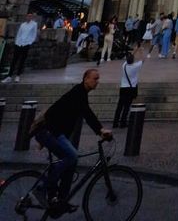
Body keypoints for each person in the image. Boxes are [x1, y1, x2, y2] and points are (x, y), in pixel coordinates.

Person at [25, 69, 113, 212]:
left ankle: (61, 200)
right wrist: (100, 130)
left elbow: (61, 111)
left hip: (53, 132)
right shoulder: (78, 92)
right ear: (85, 79)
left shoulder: (81, 93)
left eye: (98, 79)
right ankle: (42, 189)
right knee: (71, 156)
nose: (97, 82)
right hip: (50, 132)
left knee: (71, 161)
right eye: (95, 78)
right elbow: (87, 113)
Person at [3, 12, 38, 83]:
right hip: (19, 44)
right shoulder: (23, 25)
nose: (29, 17)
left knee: (22, 60)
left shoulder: (34, 24)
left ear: (31, 17)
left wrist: (29, 42)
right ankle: (9, 76)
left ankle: (18, 76)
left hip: (26, 44)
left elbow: (34, 34)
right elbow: (19, 33)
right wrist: (16, 42)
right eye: (28, 16)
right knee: (14, 60)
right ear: (26, 17)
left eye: (30, 16)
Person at [114, 49, 143, 128]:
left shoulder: (124, 65)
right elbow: (142, 59)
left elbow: (130, 57)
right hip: (130, 89)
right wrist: (140, 50)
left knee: (119, 106)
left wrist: (136, 49)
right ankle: (123, 122)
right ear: (133, 60)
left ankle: (115, 122)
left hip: (123, 88)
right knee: (126, 106)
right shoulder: (135, 66)